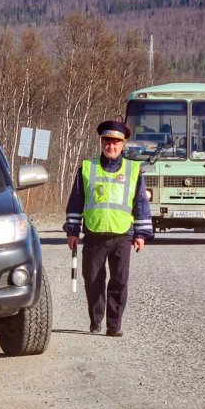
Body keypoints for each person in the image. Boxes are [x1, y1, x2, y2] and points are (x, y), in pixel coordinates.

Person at [63, 120, 153, 337]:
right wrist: (72, 231)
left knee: (119, 281)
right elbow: (76, 201)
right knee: (93, 280)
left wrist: (141, 234)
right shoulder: (87, 168)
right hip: (94, 234)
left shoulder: (133, 170)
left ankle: (114, 325)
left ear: (123, 145)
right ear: (101, 143)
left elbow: (140, 203)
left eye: (115, 142)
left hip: (122, 235)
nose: (111, 146)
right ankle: (96, 321)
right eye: (107, 142)